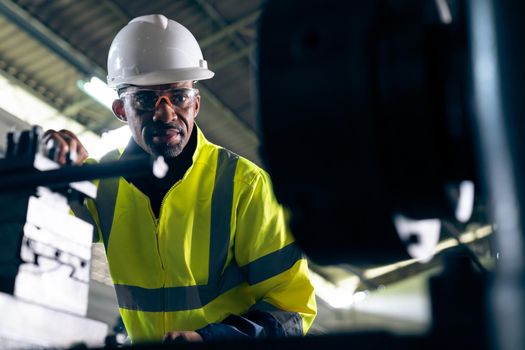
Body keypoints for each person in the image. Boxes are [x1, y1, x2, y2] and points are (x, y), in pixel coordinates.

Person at [43, 14, 316, 344]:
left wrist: (210, 340)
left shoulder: (244, 187)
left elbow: (292, 311)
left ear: (196, 103)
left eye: (179, 96)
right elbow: (40, 232)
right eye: (145, 99)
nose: (165, 113)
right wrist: (47, 171)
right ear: (120, 109)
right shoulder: (101, 183)